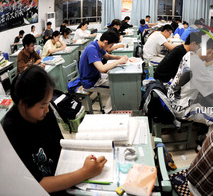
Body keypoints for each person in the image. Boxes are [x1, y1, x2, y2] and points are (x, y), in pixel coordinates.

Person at [1, 66, 107, 195]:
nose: (47, 110)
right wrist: (85, 172)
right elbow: (38, 184)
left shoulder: (44, 112)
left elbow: (60, 145)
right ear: (24, 105)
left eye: (48, 103)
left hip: (60, 174)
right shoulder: (10, 132)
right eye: (43, 106)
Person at [167, 36, 213, 126]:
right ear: (212, 52)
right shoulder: (198, 65)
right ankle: (208, 138)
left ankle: (204, 131)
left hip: (172, 99)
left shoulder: (189, 54)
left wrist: (205, 64)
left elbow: (194, 69)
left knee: (205, 101)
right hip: (183, 109)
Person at [78, 31, 128, 113]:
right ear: (105, 42)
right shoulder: (92, 49)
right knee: (118, 88)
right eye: (110, 45)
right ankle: (107, 112)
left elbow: (107, 56)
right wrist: (119, 61)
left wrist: (120, 57)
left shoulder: (98, 45)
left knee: (119, 81)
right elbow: (102, 69)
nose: (110, 48)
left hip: (97, 76)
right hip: (90, 82)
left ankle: (113, 107)